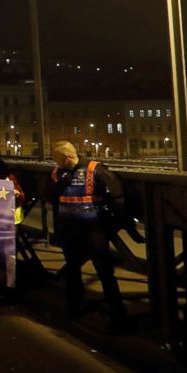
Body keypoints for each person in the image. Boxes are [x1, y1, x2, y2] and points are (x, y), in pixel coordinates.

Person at [47, 140, 129, 332]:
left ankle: (118, 315)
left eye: (57, 158)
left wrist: (118, 221)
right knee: (73, 269)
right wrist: (60, 185)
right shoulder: (57, 173)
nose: (55, 162)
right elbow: (48, 195)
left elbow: (117, 195)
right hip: (70, 228)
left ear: (67, 157)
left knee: (104, 270)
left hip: (94, 228)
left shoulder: (95, 169)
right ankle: (75, 306)